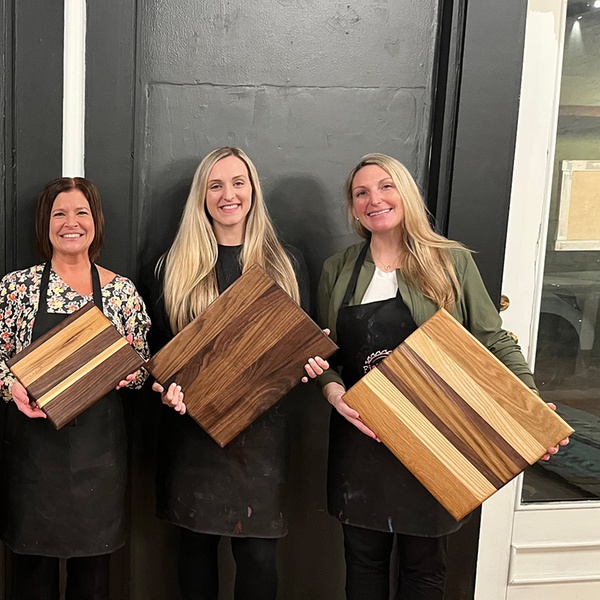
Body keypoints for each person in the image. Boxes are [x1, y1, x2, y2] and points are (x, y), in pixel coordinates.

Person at [315, 153, 568, 600]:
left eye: (386, 186)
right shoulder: (339, 269)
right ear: (353, 207)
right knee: (363, 562)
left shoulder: (449, 261)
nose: (375, 199)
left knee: (424, 567)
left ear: (406, 194)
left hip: (436, 436)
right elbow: (325, 353)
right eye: (361, 193)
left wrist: (530, 407)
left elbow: (492, 339)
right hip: (363, 436)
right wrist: (334, 393)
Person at [148, 146, 328, 600]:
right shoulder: (173, 266)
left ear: (253, 191)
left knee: (259, 558)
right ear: (202, 196)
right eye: (216, 185)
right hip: (194, 433)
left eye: (238, 183)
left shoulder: (287, 263)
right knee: (195, 550)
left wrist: (308, 365)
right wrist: (165, 388)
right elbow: (160, 353)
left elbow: (294, 349)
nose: (228, 195)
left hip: (263, 436)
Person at [0, 177, 150, 600]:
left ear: (95, 221)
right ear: (45, 224)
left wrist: (128, 374)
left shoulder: (121, 293)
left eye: (81, 212)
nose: (71, 223)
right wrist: (12, 387)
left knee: (93, 583)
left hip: (97, 465)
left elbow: (143, 367)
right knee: (32, 583)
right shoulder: (17, 289)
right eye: (59, 214)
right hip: (33, 465)